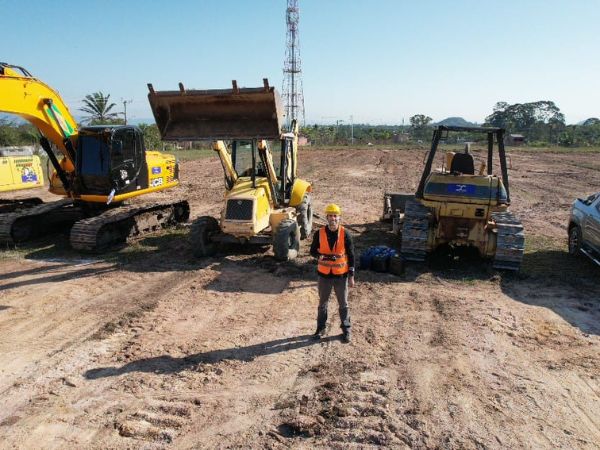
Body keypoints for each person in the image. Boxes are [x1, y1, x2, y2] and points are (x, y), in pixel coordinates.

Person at [310, 203, 355, 343]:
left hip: (341, 276)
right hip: (324, 276)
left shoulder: (345, 234)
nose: (333, 219)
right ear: (327, 217)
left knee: (343, 304)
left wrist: (351, 276)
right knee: (322, 303)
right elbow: (312, 251)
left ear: (339, 217)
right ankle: (320, 329)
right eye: (330, 216)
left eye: (335, 216)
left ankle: (346, 330)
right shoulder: (319, 233)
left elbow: (352, 255)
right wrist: (319, 256)